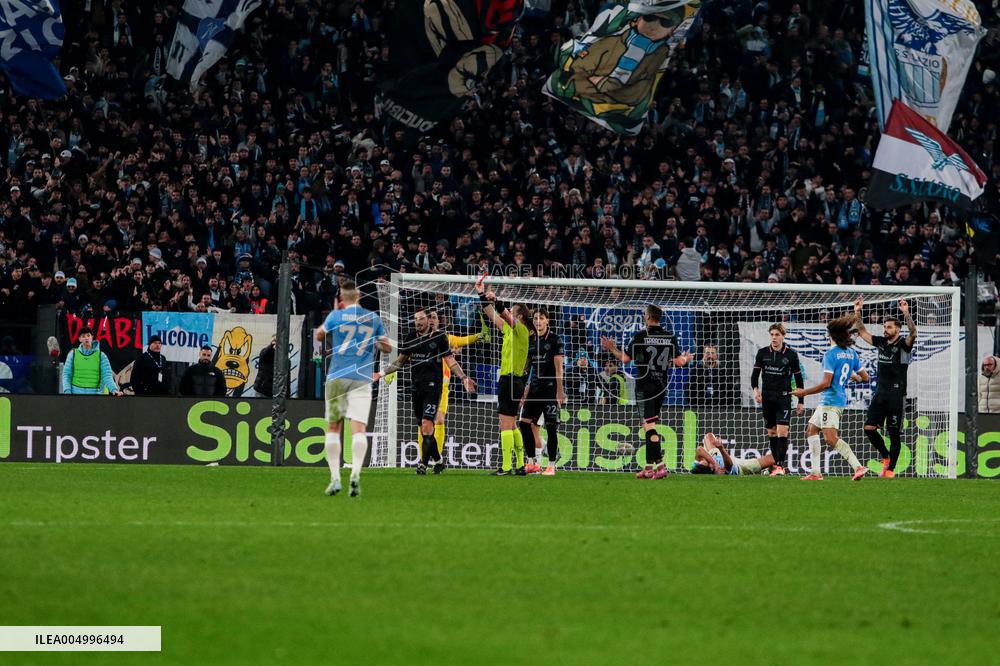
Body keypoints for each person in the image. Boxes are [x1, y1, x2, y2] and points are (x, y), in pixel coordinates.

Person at [375, 306, 476, 475]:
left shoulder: (439, 337)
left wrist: (463, 377)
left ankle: (423, 463)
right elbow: (400, 362)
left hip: (433, 388)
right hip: (417, 388)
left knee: (428, 425)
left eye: (421, 318)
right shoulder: (410, 338)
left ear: (429, 320)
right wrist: (381, 372)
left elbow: (450, 361)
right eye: (415, 319)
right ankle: (438, 461)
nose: (417, 322)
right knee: (424, 428)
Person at [317, 280, 392, 497]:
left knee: (334, 428)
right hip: (361, 378)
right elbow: (387, 347)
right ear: (358, 295)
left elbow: (319, 335)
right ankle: (356, 473)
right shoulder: (373, 318)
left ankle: (335, 478)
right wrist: (374, 342)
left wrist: (334, 322)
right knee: (358, 429)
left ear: (342, 298)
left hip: (337, 377)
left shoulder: (335, 316)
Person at [601, 305, 693, 479]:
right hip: (661, 387)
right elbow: (679, 362)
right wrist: (687, 358)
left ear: (649, 317)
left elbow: (625, 359)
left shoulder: (641, 336)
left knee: (649, 427)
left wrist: (612, 348)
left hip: (644, 387)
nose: (644, 317)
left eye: (645, 315)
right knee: (648, 425)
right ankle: (649, 466)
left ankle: (660, 465)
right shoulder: (670, 337)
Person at [792, 312, 870, 480]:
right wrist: (852, 375)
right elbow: (865, 378)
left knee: (830, 438)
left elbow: (826, 383)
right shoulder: (852, 353)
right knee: (811, 430)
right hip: (834, 400)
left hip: (831, 400)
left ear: (831, 335)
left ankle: (858, 466)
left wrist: (803, 392)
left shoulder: (830, 354)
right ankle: (815, 472)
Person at [854, 298, 917, 478]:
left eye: (889, 327)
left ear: (897, 329)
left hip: (897, 396)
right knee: (869, 428)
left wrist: (906, 313)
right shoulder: (881, 342)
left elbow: (913, 332)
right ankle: (886, 457)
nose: (885, 329)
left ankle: (890, 471)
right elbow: (861, 331)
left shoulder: (904, 345)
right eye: (885, 326)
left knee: (894, 433)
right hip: (880, 394)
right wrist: (858, 311)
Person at [476, 274, 532, 476]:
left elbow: (504, 314)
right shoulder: (509, 331)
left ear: (521, 317)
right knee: (512, 423)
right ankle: (519, 465)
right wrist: (481, 294)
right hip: (511, 381)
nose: (511, 315)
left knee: (504, 424)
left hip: (511, 380)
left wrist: (497, 300)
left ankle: (507, 466)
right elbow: (492, 315)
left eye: (514, 312)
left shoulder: (522, 331)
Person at [750, 324, 805, 476]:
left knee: (782, 431)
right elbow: (754, 376)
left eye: (777, 335)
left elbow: (799, 380)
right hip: (767, 398)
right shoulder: (762, 353)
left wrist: (801, 401)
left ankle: (780, 466)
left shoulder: (791, 355)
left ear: (783, 336)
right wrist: (756, 391)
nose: (774, 337)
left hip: (784, 397)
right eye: (772, 335)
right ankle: (775, 465)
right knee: (772, 433)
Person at [518, 307, 566, 476]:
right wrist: (526, 388)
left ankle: (551, 465)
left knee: (551, 428)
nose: (538, 321)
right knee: (523, 423)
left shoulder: (555, 340)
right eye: (535, 318)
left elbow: (559, 368)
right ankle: (532, 462)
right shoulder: (531, 340)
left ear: (547, 320)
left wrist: (560, 391)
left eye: (541, 318)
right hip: (535, 389)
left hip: (550, 389)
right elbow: (531, 367)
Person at [61, 327, 122, 395]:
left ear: (92, 337)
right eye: (83, 336)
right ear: (80, 339)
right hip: (76, 395)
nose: (86, 338)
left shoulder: (101, 356)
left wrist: (114, 389)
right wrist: (67, 391)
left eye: (88, 335)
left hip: (95, 396)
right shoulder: (73, 354)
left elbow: (107, 376)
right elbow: (66, 375)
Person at [691, 432, 777, 475]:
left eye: (703, 460)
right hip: (739, 466)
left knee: (709, 436)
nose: (703, 460)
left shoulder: (698, 466)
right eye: (705, 462)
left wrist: (714, 462)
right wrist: (721, 448)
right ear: (710, 468)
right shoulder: (720, 472)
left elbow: (699, 449)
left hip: (715, 454)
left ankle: (770, 469)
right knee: (773, 458)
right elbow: (729, 465)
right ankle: (771, 470)